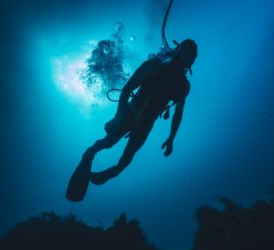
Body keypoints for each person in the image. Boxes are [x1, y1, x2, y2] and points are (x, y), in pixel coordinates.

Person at [66, 39, 198, 201]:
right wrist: (118, 115)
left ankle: (111, 172)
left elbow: (178, 113)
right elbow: (128, 88)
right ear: (177, 49)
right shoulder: (155, 65)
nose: (187, 54)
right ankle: (90, 153)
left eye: (191, 54)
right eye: (185, 49)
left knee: (128, 157)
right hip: (130, 113)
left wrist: (171, 139)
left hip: (147, 123)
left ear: (193, 60)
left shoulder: (184, 86)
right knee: (108, 142)